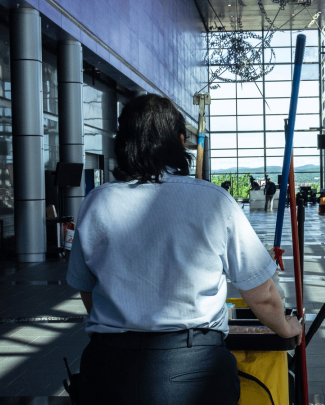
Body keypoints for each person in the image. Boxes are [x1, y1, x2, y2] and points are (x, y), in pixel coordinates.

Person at [66, 94, 301, 405]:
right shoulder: (213, 200)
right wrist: (287, 328)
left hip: (109, 368)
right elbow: (262, 294)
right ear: (178, 140)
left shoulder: (97, 201)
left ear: (123, 142)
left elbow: (87, 289)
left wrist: (125, 324)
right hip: (194, 369)